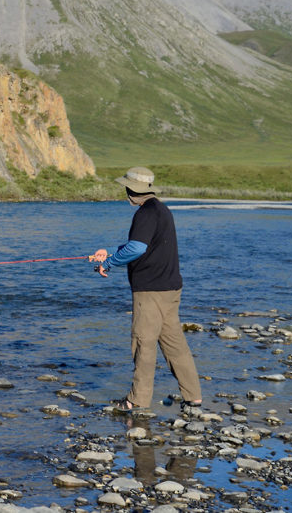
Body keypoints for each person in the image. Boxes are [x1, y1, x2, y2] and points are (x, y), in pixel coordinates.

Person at [89, 166, 202, 414]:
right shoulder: (161, 210)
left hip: (150, 291)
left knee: (143, 343)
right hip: (171, 288)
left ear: (132, 190)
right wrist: (110, 252)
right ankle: (193, 397)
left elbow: (137, 249)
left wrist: (108, 263)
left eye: (127, 188)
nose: (126, 192)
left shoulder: (145, 214)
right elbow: (143, 245)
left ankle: (137, 400)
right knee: (174, 343)